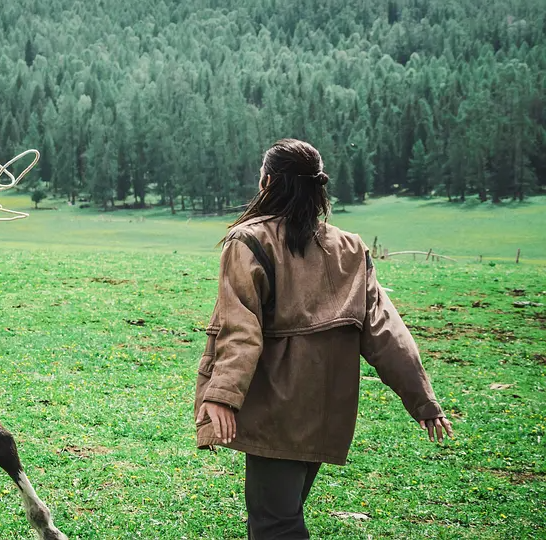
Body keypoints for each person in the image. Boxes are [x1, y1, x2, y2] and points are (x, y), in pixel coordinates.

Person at [193, 139, 454, 539]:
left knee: (274, 524)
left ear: (267, 182)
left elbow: (239, 331)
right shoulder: (351, 247)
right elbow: (385, 330)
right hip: (329, 408)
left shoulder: (248, 241)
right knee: (284, 513)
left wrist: (220, 395)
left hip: (279, 408)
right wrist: (422, 398)